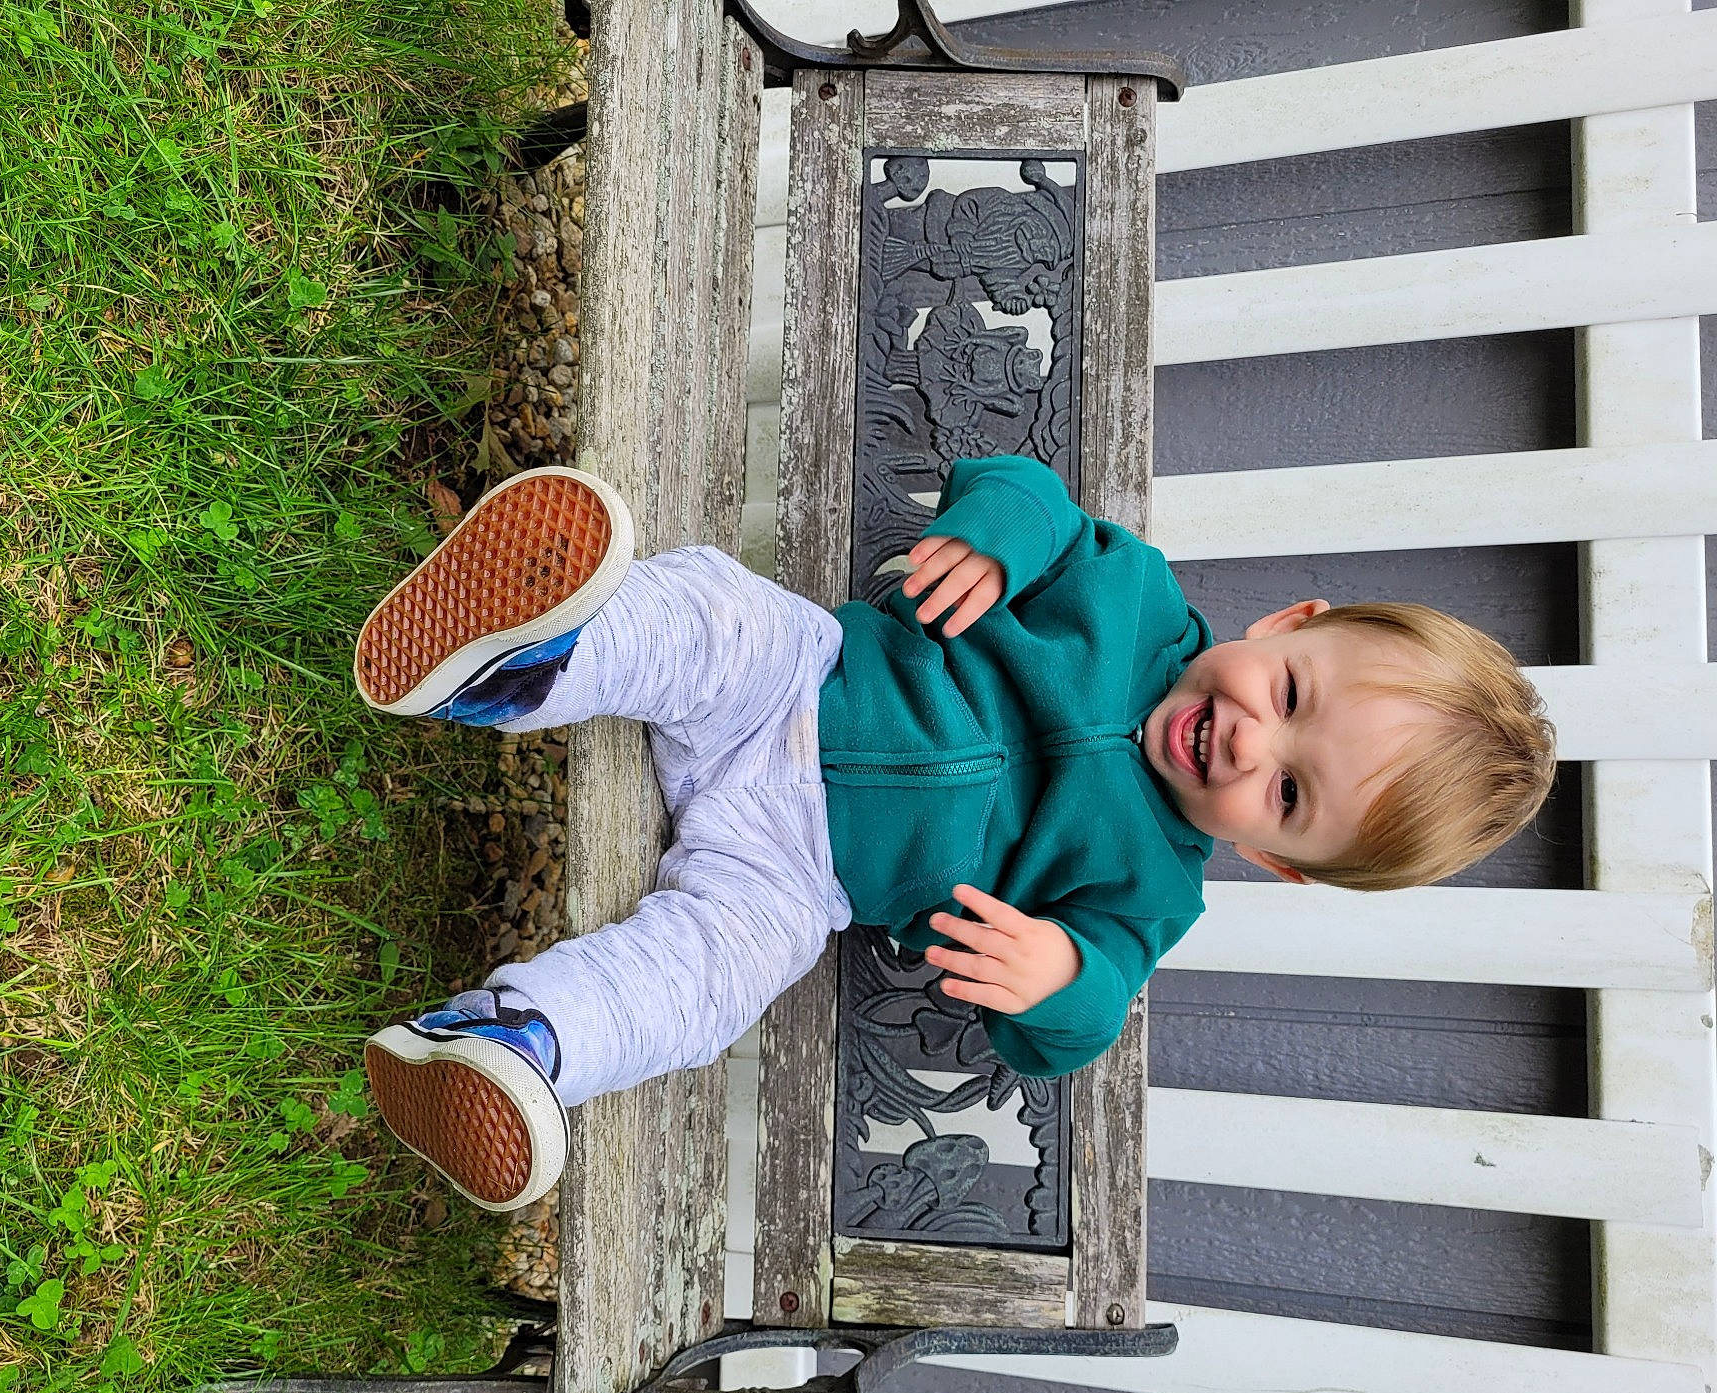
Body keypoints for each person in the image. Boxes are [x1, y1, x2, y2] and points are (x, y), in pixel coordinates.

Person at [351, 459, 1556, 1212]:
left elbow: (1077, 1030)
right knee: (715, 613)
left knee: (705, 987)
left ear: (1277, 860)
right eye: (1288, 694)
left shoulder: (1151, 892)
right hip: (800, 681)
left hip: (797, 878)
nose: (1250, 744)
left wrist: (1058, 975)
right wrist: (997, 539)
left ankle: (517, 1045)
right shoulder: (1127, 592)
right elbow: (1027, 486)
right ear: (1292, 620)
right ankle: (523, 661)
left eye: (1288, 794)